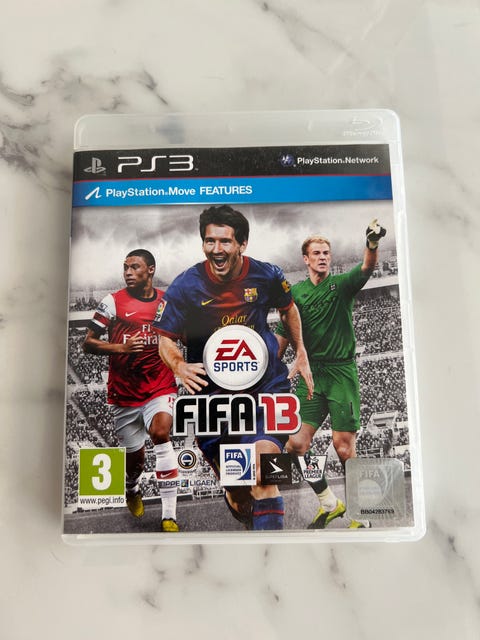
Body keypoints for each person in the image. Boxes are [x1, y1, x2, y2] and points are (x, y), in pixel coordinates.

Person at [154, 205, 313, 531]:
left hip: (264, 390)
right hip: (213, 400)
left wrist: (301, 351)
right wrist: (179, 365)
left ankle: (272, 552)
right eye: (209, 241)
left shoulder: (267, 275)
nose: (217, 249)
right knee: (240, 492)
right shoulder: (185, 286)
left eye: (225, 241)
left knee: (264, 474)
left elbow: (288, 309)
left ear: (242, 244)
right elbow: (165, 338)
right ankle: (244, 510)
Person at [276, 219, 386, 529]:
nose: (323, 257)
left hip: (341, 373)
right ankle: (329, 503)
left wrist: (372, 243)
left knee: (343, 446)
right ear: (306, 259)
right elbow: (284, 334)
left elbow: (367, 267)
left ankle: (362, 514)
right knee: (295, 445)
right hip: (311, 375)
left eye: (326, 253)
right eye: (317, 253)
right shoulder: (294, 294)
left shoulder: (341, 285)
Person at [83, 249, 180, 532]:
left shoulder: (167, 302)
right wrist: (121, 348)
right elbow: (88, 343)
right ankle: (132, 487)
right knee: (134, 460)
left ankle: (169, 516)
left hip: (159, 385)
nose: (127, 272)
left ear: (150, 270)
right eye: (125, 267)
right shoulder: (112, 302)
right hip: (124, 393)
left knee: (161, 433)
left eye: (134, 267)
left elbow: (182, 332)